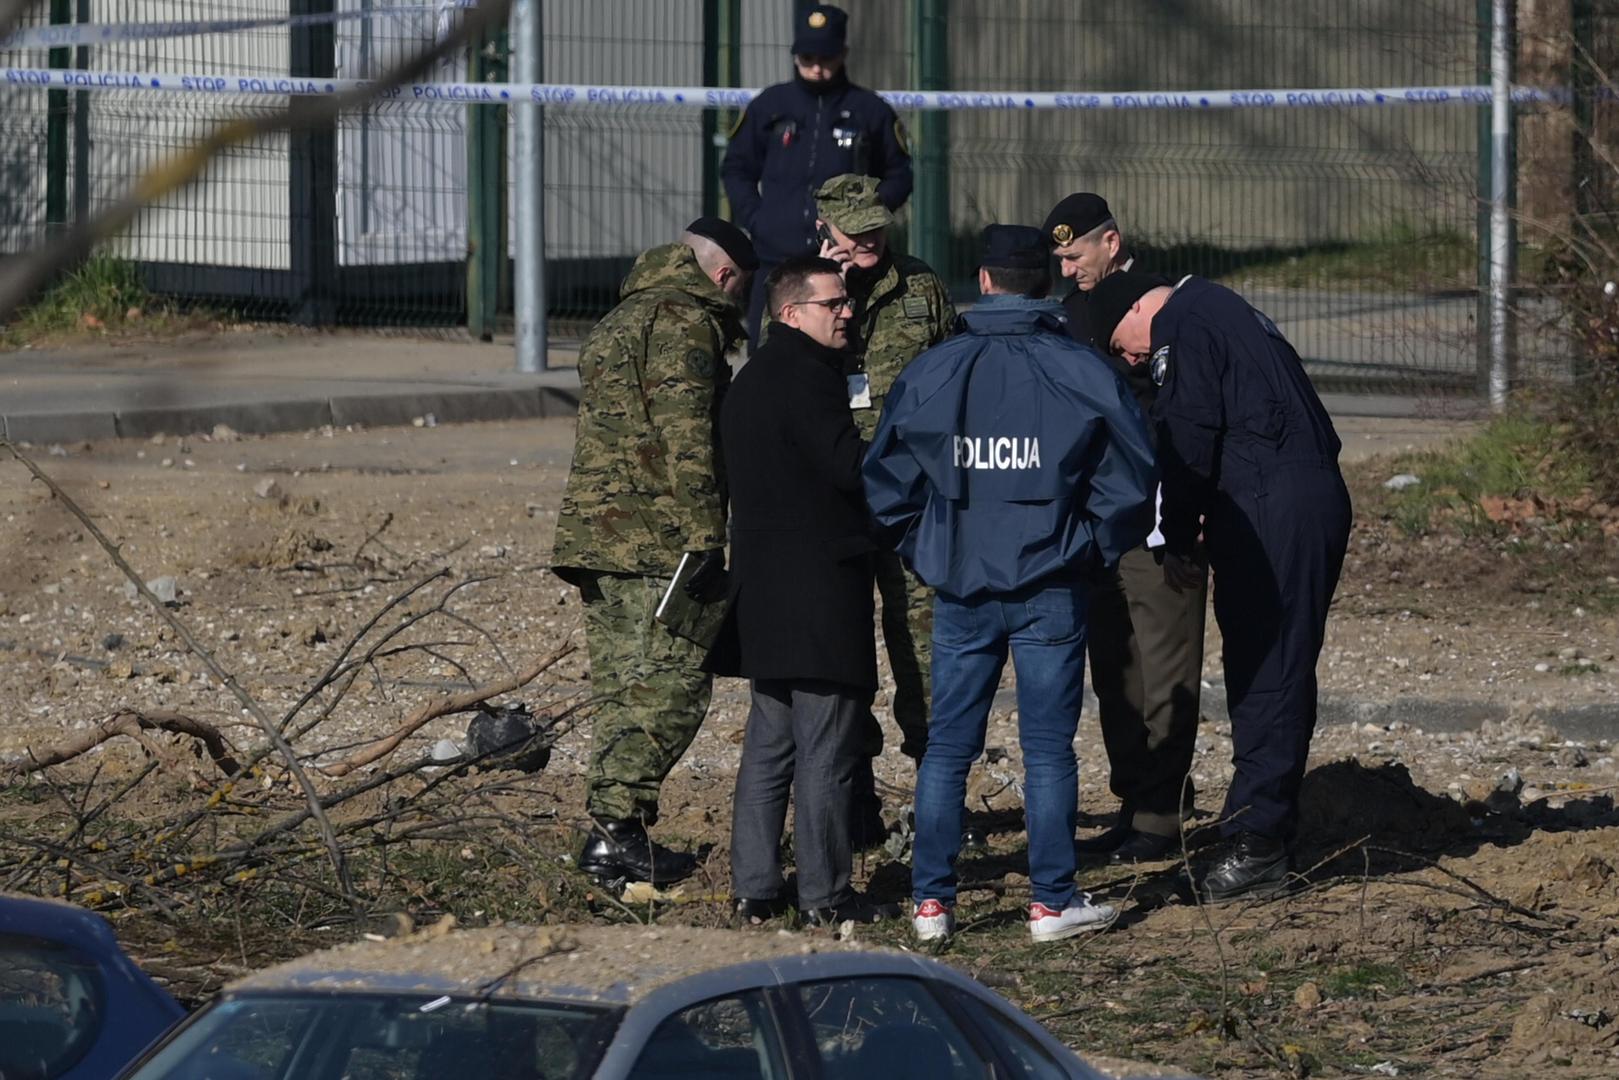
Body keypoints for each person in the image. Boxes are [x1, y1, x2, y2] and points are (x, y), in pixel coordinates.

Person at [863, 226, 1157, 943]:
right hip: (1051, 581)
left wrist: (929, 548)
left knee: (946, 747)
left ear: (985, 282)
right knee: (1049, 748)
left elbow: (886, 480)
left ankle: (931, 903)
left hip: (962, 585)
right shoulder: (1079, 369)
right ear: (1045, 285)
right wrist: (1087, 544)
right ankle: (1050, 902)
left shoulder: (934, 369)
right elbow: (1132, 477)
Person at [1088, 269, 1353, 902]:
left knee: (1268, 669)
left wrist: (1175, 534)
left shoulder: (1183, 321)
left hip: (1272, 504)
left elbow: (1188, 433)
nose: (1131, 358)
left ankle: (1257, 843)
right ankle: (1257, 826)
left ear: (1136, 309)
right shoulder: (1231, 312)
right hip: (1292, 492)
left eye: (1122, 345)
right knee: (1271, 663)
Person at [551, 217, 756, 887]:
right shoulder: (683, 321)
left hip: (598, 536)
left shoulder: (622, 314)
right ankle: (615, 827)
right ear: (723, 277)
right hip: (655, 540)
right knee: (673, 682)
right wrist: (706, 540)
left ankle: (615, 836)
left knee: (621, 690)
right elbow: (686, 438)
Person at [712, 255, 898, 927]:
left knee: (770, 747)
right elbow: (848, 469)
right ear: (791, 313)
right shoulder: (809, 378)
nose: (846, 310)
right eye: (832, 303)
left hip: (761, 592)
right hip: (818, 594)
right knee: (825, 753)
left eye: (846, 300)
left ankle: (754, 888)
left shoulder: (752, 377)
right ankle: (825, 895)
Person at [1043, 193, 1209, 863]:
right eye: (1057, 257)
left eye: (1075, 254)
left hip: (1158, 525)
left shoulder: (1159, 309)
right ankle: (1135, 801)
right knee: (1114, 673)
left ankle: (1159, 818)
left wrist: (1183, 520)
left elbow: (1185, 422)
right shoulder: (1071, 311)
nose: (1066, 268)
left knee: (1166, 669)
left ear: (1110, 244)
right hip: (1097, 527)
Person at [813, 173, 956, 838]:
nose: (867, 239)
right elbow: (782, 371)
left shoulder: (920, 286)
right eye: (853, 229)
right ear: (825, 229)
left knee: (923, 650)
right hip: (834, 498)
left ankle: (939, 796)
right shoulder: (803, 290)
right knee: (841, 651)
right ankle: (855, 793)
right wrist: (827, 286)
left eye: (875, 225)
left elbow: (954, 374)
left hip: (910, 498)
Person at [721, 4, 913, 346]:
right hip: (777, 259)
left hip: (847, 264)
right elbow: (737, 168)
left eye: (825, 58)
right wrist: (758, 218)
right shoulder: (770, 105)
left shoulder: (870, 110)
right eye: (807, 58)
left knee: (843, 355)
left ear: (843, 54)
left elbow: (899, 174)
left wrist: (865, 221)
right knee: (768, 356)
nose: (817, 68)